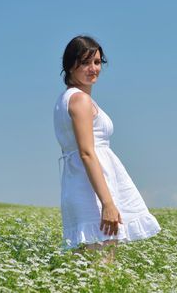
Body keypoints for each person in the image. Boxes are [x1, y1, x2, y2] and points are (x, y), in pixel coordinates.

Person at [53, 35, 162, 264]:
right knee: (102, 269)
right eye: (85, 62)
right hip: (91, 191)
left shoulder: (66, 99)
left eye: (97, 62)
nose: (93, 69)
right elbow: (87, 152)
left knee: (86, 269)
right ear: (69, 65)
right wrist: (108, 203)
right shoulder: (79, 100)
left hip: (81, 186)